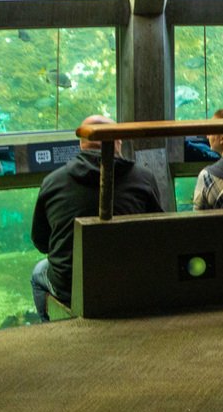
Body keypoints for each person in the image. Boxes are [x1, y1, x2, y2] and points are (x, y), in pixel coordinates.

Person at [29, 114, 168, 320]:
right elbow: (157, 233)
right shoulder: (143, 179)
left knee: (39, 271)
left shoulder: (52, 181)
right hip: (128, 281)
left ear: (81, 144)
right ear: (117, 142)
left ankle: (49, 326)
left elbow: (42, 242)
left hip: (71, 286)